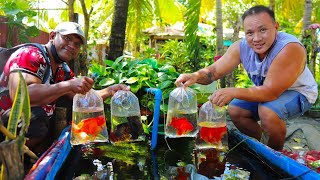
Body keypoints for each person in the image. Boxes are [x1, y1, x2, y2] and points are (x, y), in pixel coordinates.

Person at [175, 5, 318, 151]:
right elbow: (214, 71)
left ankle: (276, 153)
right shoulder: (241, 47)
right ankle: (263, 145)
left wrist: (232, 92)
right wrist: (194, 76)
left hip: (300, 93)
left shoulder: (289, 48)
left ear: (276, 27)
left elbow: (270, 93)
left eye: (263, 30)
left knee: (267, 111)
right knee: (236, 109)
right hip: (268, 91)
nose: (256, 38)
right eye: (250, 33)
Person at [0, 22, 130, 154]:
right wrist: (68, 85)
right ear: (52, 36)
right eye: (67, 38)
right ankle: (14, 157)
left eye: (77, 44)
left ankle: (38, 153)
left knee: (69, 105)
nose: (72, 46)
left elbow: (84, 98)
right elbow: (22, 96)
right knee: (36, 118)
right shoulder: (31, 54)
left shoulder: (63, 69)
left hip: (31, 130)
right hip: (6, 126)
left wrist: (110, 91)